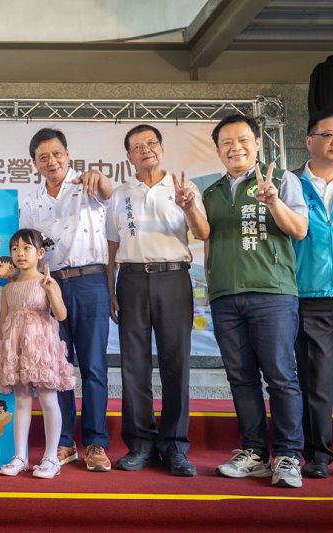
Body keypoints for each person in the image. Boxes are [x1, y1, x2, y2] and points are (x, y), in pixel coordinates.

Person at [203, 113, 308, 488]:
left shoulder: (282, 180)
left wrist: (274, 201)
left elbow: (299, 229)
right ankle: (254, 453)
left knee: (280, 376)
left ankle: (289, 455)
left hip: (272, 293)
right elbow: (208, 242)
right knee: (241, 378)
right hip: (226, 297)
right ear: (218, 150)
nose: (236, 148)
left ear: (257, 143)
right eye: (227, 143)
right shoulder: (212, 192)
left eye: (243, 140)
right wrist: (212, 285)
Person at [106, 124, 209, 477]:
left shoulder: (183, 188)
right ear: (129, 156)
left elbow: (203, 232)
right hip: (131, 279)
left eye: (151, 143)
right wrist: (110, 288)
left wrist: (189, 206)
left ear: (161, 149)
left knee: (176, 362)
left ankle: (175, 446)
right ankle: (140, 444)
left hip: (173, 277)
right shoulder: (120, 194)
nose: (145, 149)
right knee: (134, 365)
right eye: (137, 146)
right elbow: (112, 246)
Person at [19, 128, 113, 472]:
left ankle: (96, 442)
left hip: (90, 281)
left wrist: (99, 178)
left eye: (57, 154)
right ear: (35, 163)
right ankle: (63, 442)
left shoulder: (87, 184)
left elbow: (107, 192)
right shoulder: (31, 202)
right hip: (50, 285)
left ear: (68, 154)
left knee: (93, 366)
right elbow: (30, 249)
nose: (52, 161)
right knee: (58, 367)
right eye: (43, 157)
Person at [0, 228, 76, 479]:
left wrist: (50, 290)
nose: (20, 254)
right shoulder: (9, 288)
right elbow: (2, 323)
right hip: (16, 350)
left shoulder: (47, 282)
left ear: (40, 253)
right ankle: (20, 456)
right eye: (15, 249)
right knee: (22, 401)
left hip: (41, 350)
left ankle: (51, 458)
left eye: (27, 248)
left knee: (48, 400)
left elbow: (61, 315)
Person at [291, 108, 333, 479]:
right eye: (327, 134)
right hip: (310, 294)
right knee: (316, 380)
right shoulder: (289, 184)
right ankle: (318, 452)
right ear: (309, 141)